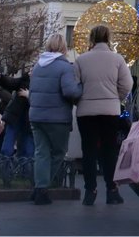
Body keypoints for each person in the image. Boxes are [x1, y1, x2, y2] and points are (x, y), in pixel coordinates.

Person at [75, 24, 134, 205]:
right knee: (109, 151)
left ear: (91, 38)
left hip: (86, 112)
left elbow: (74, 87)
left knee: (89, 151)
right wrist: (116, 98)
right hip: (110, 111)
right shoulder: (117, 59)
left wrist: (81, 101)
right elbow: (127, 84)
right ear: (109, 38)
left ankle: (90, 191)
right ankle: (111, 190)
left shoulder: (81, 60)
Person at [30, 33, 81, 204]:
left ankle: (38, 188)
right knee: (58, 153)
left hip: (36, 116)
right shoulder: (64, 67)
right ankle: (43, 188)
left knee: (41, 153)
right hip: (57, 118)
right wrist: (80, 89)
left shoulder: (38, 65)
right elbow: (70, 92)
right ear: (64, 48)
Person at [1, 77, 34, 158]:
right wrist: (0, 77)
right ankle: (5, 164)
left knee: (27, 149)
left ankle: (23, 167)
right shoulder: (24, 80)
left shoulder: (40, 82)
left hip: (27, 119)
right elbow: (11, 82)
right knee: (9, 145)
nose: (30, 71)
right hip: (16, 116)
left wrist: (29, 96)